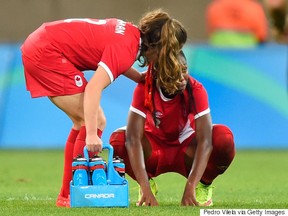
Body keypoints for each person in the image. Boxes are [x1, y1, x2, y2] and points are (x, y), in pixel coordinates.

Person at [21, 9, 187, 207]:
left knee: (81, 120)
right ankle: (70, 196)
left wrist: (137, 77)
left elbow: (112, 54)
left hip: (42, 42)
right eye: (168, 50)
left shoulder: (130, 34)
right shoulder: (126, 49)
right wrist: (92, 135)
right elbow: (93, 88)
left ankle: (67, 195)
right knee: (93, 120)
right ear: (156, 45)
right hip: (46, 52)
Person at [109, 50, 236, 206]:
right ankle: (147, 186)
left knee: (223, 137)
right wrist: (145, 187)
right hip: (153, 150)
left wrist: (191, 186)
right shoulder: (145, 87)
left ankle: (204, 183)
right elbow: (133, 140)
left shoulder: (195, 89)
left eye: (184, 70)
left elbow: (205, 141)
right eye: (176, 72)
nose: (182, 78)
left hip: (185, 149)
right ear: (159, 74)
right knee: (118, 141)